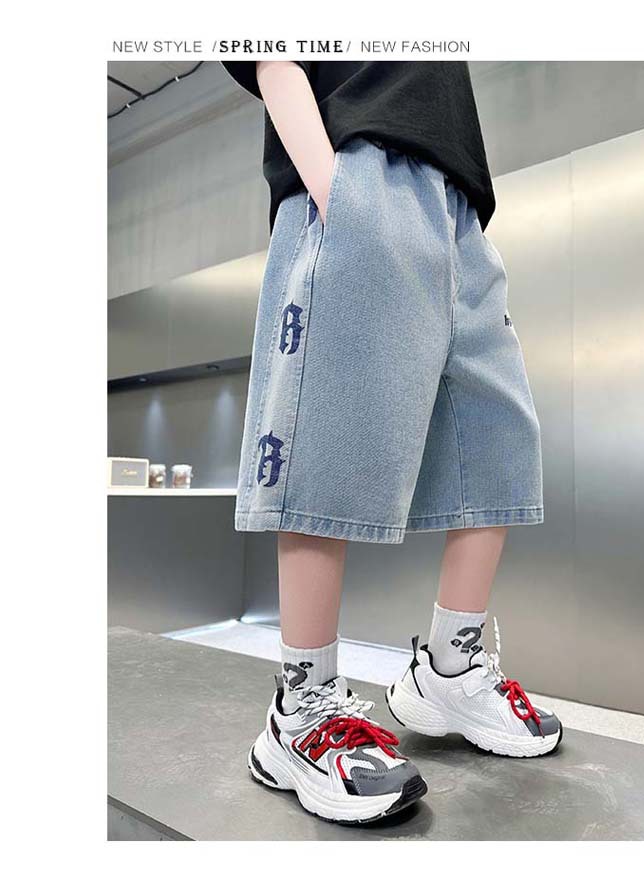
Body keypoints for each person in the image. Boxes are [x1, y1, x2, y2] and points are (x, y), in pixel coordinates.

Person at [222, 60, 562, 825]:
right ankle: (300, 709)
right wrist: (336, 193)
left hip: (459, 206)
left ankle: (450, 669)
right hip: (359, 169)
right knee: (327, 435)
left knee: (499, 443)